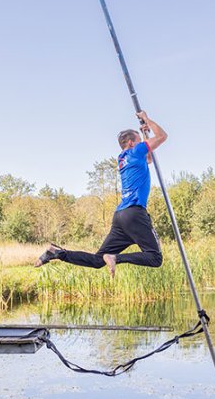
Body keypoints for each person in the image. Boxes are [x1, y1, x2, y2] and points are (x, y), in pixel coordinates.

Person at [35, 110, 167, 276]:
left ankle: (57, 253)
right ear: (132, 144)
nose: (142, 143)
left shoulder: (123, 158)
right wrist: (147, 119)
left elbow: (149, 159)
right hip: (134, 213)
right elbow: (162, 136)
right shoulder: (135, 152)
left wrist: (144, 133)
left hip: (121, 216)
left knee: (98, 260)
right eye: (140, 141)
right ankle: (114, 257)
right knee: (155, 258)